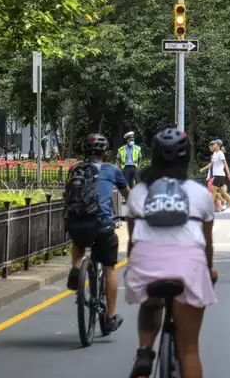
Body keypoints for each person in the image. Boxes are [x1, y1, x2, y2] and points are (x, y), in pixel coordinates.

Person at [124, 128, 218, 378]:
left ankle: (145, 351)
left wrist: (131, 267)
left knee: (151, 303)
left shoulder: (139, 192)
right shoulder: (200, 194)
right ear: (186, 158)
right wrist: (209, 272)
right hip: (189, 268)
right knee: (189, 350)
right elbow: (206, 244)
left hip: (144, 266)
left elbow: (133, 241)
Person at [64, 133, 128, 335]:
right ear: (106, 153)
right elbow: (128, 195)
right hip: (102, 225)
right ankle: (109, 318)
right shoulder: (112, 170)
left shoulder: (75, 169)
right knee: (109, 268)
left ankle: (75, 268)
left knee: (79, 241)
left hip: (76, 223)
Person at [200, 140, 230, 211]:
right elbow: (211, 164)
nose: (213, 145)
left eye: (214, 144)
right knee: (223, 192)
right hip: (217, 175)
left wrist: (228, 174)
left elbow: (225, 164)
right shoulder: (215, 154)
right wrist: (203, 168)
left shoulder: (220, 153)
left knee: (213, 191)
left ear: (218, 145)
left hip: (219, 175)